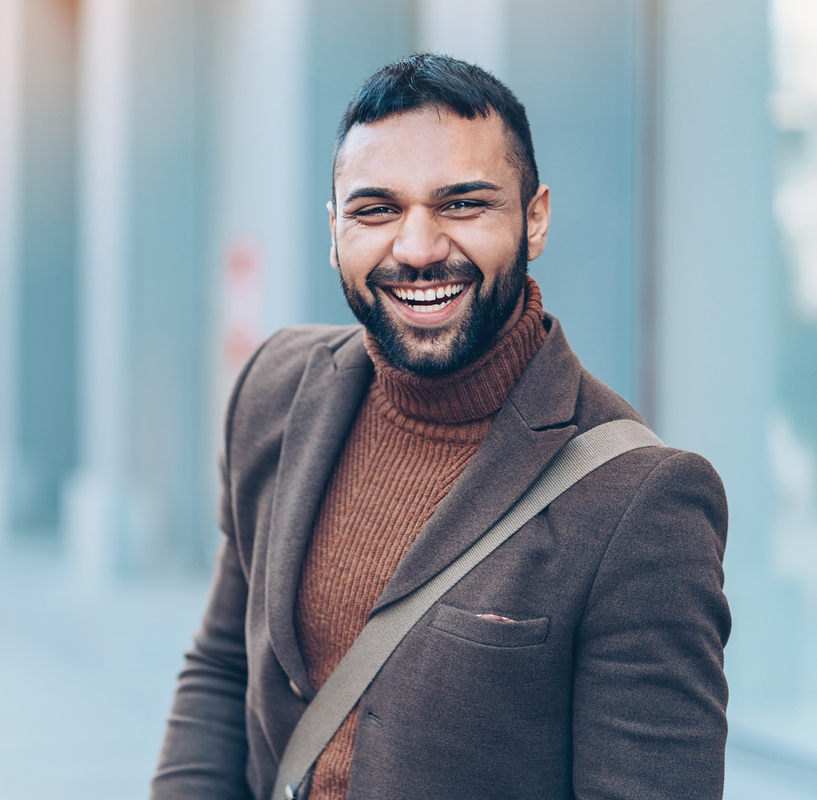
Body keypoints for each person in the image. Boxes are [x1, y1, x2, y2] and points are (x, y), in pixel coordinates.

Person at [150, 54, 730, 800]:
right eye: (376, 210)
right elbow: (224, 668)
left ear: (536, 218)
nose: (418, 249)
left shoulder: (642, 500)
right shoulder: (275, 391)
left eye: (462, 204)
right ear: (334, 233)